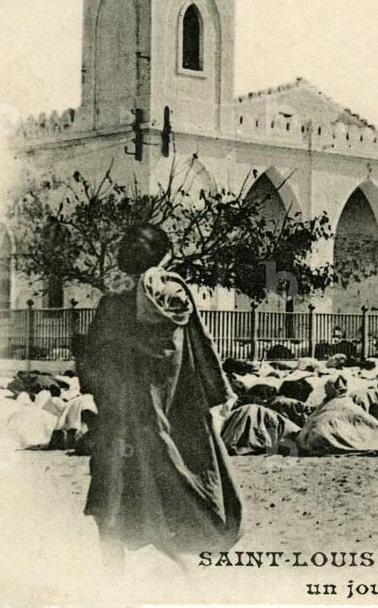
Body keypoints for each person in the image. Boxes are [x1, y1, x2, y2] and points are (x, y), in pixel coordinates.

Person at [76, 224, 242, 573]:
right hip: (165, 420)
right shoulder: (177, 305)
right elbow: (196, 363)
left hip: (118, 424)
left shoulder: (110, 307)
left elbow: (92, 368)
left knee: (111, 502)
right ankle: (189, 580)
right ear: (162, 258)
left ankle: (113, 585)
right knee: (171, 495)